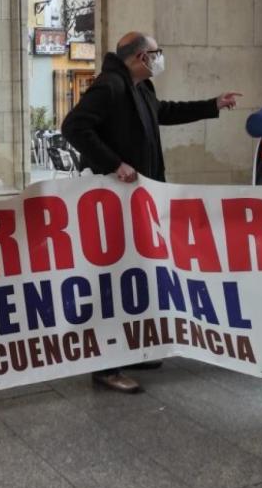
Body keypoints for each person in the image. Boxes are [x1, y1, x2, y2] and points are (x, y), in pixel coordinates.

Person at [61, 31, 241, 393]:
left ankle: (131, 349)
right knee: (115, 278)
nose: (160, 58)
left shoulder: (139, 87)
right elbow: (74, 127)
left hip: (138, 200)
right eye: (157, 52)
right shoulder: (110, 85)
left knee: (137, 272)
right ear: (141, 57)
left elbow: (165, 112)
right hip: (116, 201)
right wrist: (115, 164)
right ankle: (106, 366)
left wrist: (213, 105)